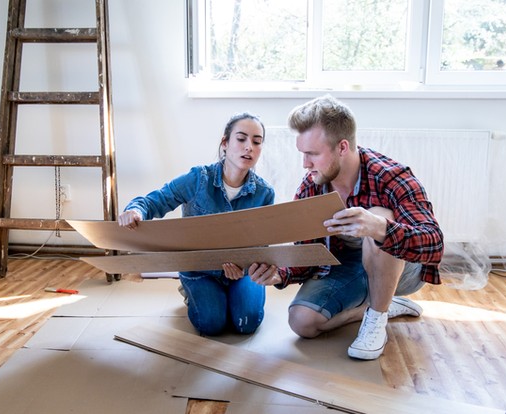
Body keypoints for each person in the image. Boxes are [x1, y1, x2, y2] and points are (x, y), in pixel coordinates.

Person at [264, 95, 444, 360]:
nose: (305, 164)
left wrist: (380, 228)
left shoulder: (390, 176)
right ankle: (378, 306)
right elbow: (307, 252)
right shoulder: (312, 186)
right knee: (302, 322)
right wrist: (278, 274)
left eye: (313, 154)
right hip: (347, 266)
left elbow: (434, 244)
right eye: (303, 154)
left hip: (400, 266)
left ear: (342, 147)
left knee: (380, 215)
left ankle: (377, 319)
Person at [118, 112, 279, 336]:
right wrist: (135, 210)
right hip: (200, 270)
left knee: (246, 323)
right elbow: (156, 200)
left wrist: (244, 267)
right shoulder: (198, 179)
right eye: (241, 139)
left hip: (242, 273)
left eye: (256, 141)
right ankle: (193, 290)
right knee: (212, 325)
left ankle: (232, 297)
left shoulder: (264, 193)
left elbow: (263, 246)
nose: (249, 147)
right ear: (225, 143)